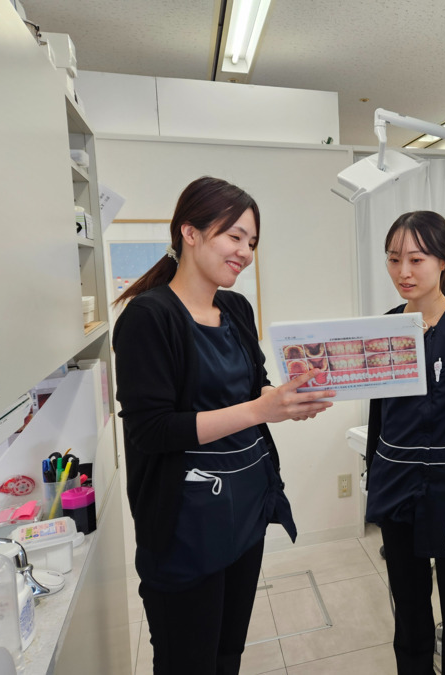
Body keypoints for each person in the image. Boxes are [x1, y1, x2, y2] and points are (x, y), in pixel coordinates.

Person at [112, 176, 334, 675]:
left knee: (227, 653)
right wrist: (262, 409)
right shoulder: (148, 318)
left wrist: (289, 399)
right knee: (188, 662)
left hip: (245, 508)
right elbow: (152, 430)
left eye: (252, 242)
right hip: (185, 523)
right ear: (189, 232)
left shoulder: (234, 308)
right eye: (234, 236)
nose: (246, 252)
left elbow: (255, 388)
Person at [364, 211, 445, 675]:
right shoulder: (386, 328)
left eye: (416, 259)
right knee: (408, 607)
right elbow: (378, 414)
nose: (403, 272)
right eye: (394, 260)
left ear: (444, 261)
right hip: (398, 486)